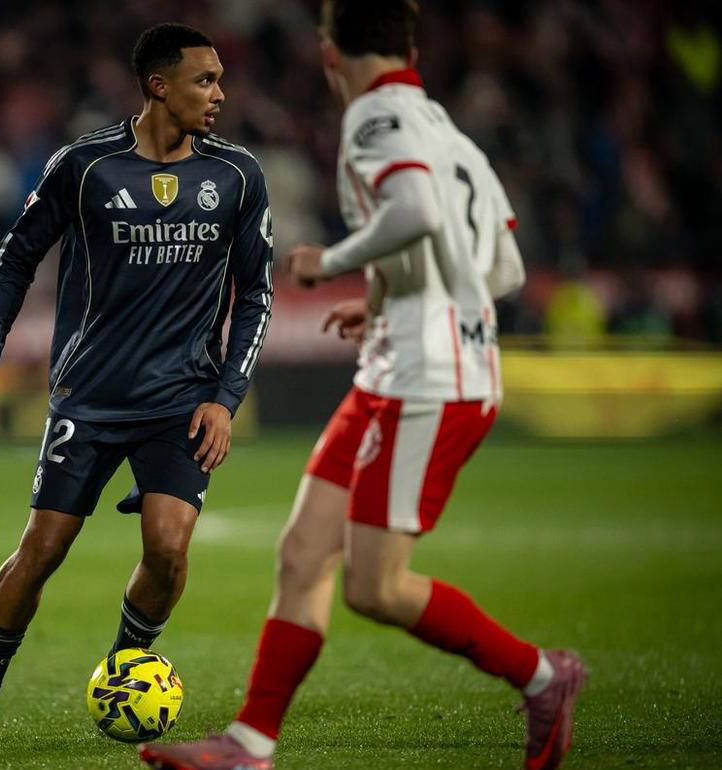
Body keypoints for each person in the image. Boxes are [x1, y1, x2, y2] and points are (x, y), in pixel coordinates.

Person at [139, 2, 585, 769]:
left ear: (328, 51)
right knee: (303, 551)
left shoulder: (374, 118)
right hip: (399, 369)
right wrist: (388, 303)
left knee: (375, 588)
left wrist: (333, 261)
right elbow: (505, 268)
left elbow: (414, 211)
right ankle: (249, 745)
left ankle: (543, 676)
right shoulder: (446, 131)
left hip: (429, 382)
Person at [0, 22, 275, 744]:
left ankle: (128, 669)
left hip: (182, 400)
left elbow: (256, 293)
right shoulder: (86, 166)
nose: (219, 94)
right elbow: (15, 258)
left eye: (220, 80)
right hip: (89, 398)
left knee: (169, 549)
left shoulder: (237, 175)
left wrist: (225, 399)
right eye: (205, 80)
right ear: (159, 85)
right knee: (43, 550)